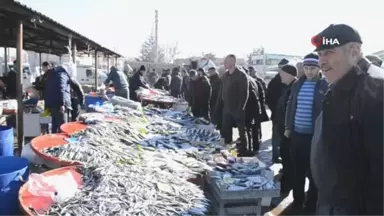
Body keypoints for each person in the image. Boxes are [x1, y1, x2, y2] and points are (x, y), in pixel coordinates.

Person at [310, 24, 384, 216]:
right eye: (319, 55)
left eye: (328, 52)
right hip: (333, 201)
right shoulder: (340, 85)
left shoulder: (375, 89)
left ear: (354, 52)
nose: (322, 62)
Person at [284, 53, 328, 213]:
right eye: (307, 68)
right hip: (297, 134)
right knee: (297, 169)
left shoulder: (325, 85)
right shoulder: (298, 84)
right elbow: (291, 106)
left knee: (314, 171)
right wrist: (288, 127)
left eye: (313, 68)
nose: (309, 71)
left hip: (315, 137)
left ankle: (311, 202)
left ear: (319, 68)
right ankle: (298, 199)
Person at [275, 64, 297, 198]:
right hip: (283, 129)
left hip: (289, 131)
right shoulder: (287, 87)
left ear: (289, 74)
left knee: (289, 158)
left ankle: (288, 184)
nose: (280, 75)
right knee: (284, 155)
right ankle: (286, 181)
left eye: (282, 73)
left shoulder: (294, 87)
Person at [220, 54, 249, 155]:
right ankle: (228, 151)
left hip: (238, 108)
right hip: (227, 108)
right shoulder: (225, 75)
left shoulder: (241, 75)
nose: (225, 64)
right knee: (226, 131)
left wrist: (240, 109)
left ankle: (243, 151)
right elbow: (223, 92)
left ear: (233, 62)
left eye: (227, 61)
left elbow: (245, 94)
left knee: (242, 133)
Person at [266, 58, 289, 162]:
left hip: (284, 114)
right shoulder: (275, 81)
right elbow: (268, 98)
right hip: (277, 114)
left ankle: (279, 156)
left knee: (282, 137)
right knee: (277, 136)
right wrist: (275, 109)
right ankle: (276, 156)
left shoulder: (290, 82)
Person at [44, 65, 71, 133]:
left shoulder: (51, 75)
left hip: (51, 104)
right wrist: (62, 103)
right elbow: (61, 89)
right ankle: (61, 141)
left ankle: (53, 140)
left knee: (54, 124)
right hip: (59, 105)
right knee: (62, 126)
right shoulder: (62, 75)